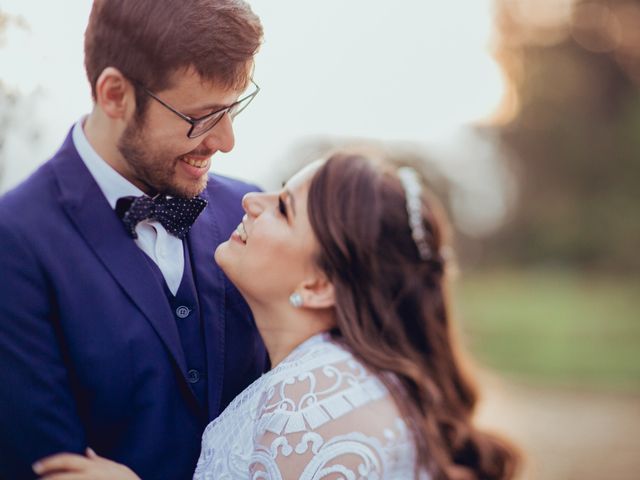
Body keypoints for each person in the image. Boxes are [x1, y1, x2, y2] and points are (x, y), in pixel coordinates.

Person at [35, 149, 519, 479]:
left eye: (284, 209)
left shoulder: (307, 403)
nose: (251, 200)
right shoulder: (344, 379)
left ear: (318, 284)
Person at [0, 0, 268, 478]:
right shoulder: (15, 243)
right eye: (202, 117)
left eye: (234, 107)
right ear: (114, 95)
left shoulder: (251, 214)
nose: (226, 141)